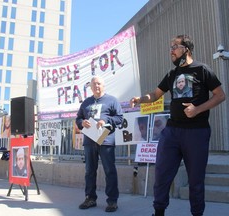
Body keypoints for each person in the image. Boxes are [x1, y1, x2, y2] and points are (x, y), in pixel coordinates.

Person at [129, 35, 225, 216]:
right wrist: (140, 99)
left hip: (197, 132)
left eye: (175, 46)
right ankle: (158, 212)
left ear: (186, 49)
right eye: (170, 47)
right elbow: (155, 95)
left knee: (196, 181)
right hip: (172, 131)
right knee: (162, 174)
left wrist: (197, 109)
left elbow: (220, 95)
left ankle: (197, 213)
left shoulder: (203, 70)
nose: (171, 50)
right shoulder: (171, 74)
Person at [76, 75, 123, 212]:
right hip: (89, 141)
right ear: (90, 87)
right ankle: (90, 198)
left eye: (99, 84)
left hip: (106, 140)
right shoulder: (86, 103)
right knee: (90, 171)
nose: (96, 86)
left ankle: (112, 201)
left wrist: (106, 121)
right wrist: (81, 123)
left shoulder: (112, 100)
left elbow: (119, 118)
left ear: (103, 85)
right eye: (94, 84)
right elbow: (78, 118)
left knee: (110, 170)